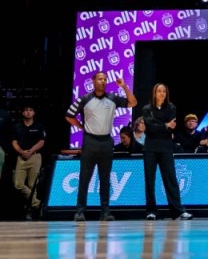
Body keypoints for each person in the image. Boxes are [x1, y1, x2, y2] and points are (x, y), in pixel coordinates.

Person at [65, 71, 136, 222]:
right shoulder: (84, 99)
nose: (102, 81)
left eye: (104, 79)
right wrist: (82, 127)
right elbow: (69, 115)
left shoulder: (112, 98)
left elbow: (133, 103)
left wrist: (124, 87)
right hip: (90, 141)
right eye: (99, 79)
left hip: (106, 141)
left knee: (105, 179)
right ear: (93, 81)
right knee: (85, 178)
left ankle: (105, 212)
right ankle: (79, 211)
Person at [140, 83, 191, 221]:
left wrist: (160, 126)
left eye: (164, 91)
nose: (162, 93)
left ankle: (177, 211)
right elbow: (149, 128)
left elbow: (171, 127)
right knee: (150, 180)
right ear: (154, 93)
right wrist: (164, 125)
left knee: (171, 179)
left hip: (166, 147)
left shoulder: (171, 108)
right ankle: (151, 211)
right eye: (159, 91)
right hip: (150, 148)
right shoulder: (147, 109)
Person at [11, 104, 46, 220]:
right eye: (26, 110)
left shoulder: (39, 126)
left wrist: (31, 151)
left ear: (34, 113)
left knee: (32, 185)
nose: (28, 112)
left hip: (35, 156)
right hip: (21, 157)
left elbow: (42, 141)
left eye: (30, 110)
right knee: (18, 184)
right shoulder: (17, 127)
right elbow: (14, 142)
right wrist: (21, 151)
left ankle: (31, 211)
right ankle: (37, 204)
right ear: (22, 113)